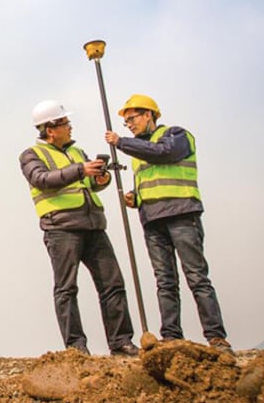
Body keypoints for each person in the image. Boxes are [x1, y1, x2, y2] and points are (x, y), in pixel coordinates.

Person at [105, 94, 232, 353]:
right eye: (126, 122)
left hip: (182, 215)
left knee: (196, 276)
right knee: (165, 281)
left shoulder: (177, 135)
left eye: (132, 118)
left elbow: (164, 153)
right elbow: (152, 181)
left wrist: (121, 142)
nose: (129, 125)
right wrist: (135, 197)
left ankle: (216, 337)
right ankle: (171, 336)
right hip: (153, 220)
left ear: (148, 114)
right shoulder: (138, 149)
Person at [20, 100, 139, 357]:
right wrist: (80, 169)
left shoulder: (77, 152)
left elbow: (89, 185)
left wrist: (100, 179)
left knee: (113, 284)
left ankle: (121, 342)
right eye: (65, 123)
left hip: (93, 225)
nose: (70, 127)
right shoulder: (31, 155)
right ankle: (76, 347)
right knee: (66, 288)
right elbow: (42, 180)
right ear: (50, 129)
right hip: (61, 228)